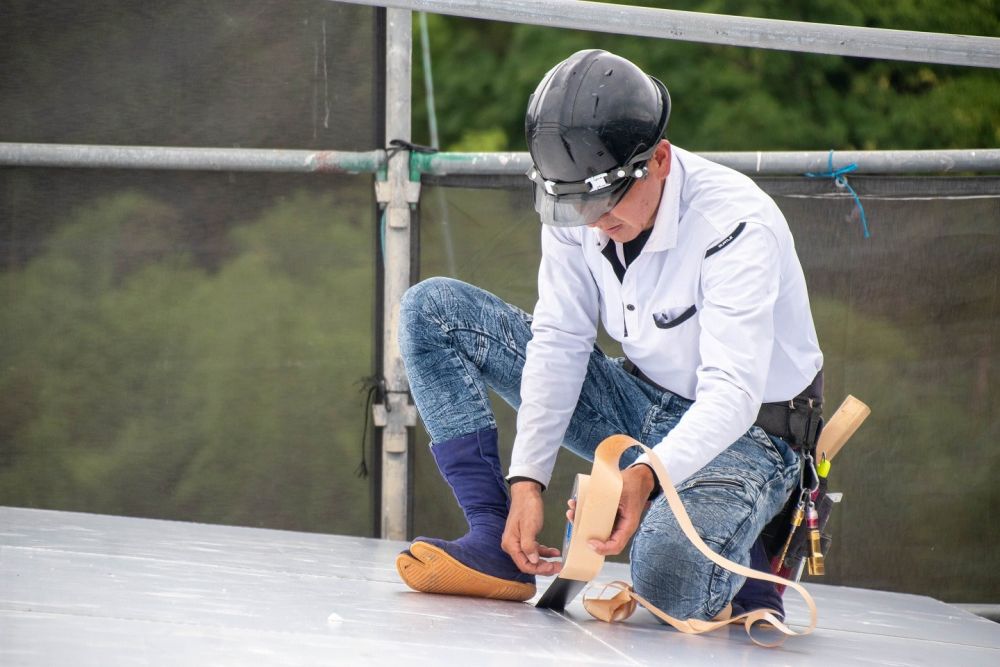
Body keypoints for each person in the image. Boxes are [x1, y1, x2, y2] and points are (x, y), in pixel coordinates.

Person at [394, 49, 823, 622]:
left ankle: (751, 549)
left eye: (606, 202)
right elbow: (560, 341)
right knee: (433, 312)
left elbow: (733, 395)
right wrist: (527, 480)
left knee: (668, 581)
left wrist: (641, 477)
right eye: (575, 206)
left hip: (749, 435)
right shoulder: (576, 208)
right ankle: (497, 541)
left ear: (661, 160)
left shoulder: (737, 225)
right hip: (641, 402)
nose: (594, 223)